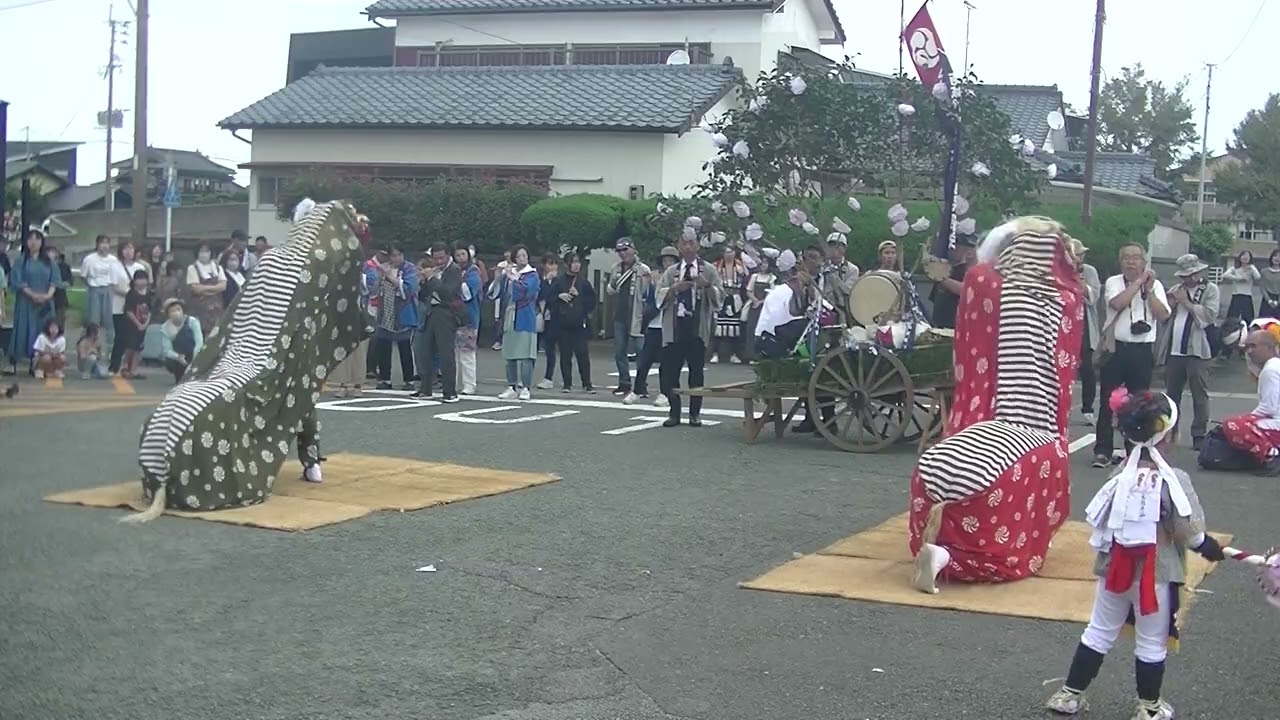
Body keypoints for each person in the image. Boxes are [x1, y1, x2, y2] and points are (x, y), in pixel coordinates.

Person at [128, 199, 372, 522]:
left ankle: (310, 460)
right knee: (302, 391)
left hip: (242, 352)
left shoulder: (270, 259)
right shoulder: (313, 268)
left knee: (291, 389)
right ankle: (311, 460)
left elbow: (236, 314)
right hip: (274, 355)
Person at [909, 217, 1084, 593]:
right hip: (1038, 421)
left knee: (945, 463)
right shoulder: (1068, 299)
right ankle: (960, 557)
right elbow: (1066, 366)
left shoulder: (986, 283)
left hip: (983, 414)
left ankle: (933, 543)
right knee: (1046, 455)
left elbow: (980, 276)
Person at [1044, 390, 1225, 720]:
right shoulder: (1174, 480)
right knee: (1152, 642)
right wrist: (1207, 546)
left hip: (1114, 569)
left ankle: (1069, 694)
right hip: (1155, 574)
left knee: (1098, 631)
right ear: (1170, 435)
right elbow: (1186, 529)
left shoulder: (1119, 476)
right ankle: (1150, 707)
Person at [1092, 243, 1170, 468]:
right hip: (1116, 349)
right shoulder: (1114, 282)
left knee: (1140, 402)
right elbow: (1117, 303)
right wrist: (1137, 283)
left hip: (1142, 350)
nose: (1131, 261)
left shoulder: (1155, 286)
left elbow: (1163, 314)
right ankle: (1103, 449)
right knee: (1108, 400)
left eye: (1136, 258)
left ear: (1144, 262)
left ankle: (1134, 449)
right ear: (1120, 261)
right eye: (1126, 257)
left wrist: (1150, 290)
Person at [655, 233, 724, 427]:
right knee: (671, 372)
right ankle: (674, 412)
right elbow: (658, 297)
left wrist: (706, 285)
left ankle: (695, 413)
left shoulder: (708, 270)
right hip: (675, 327)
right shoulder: (672, 271)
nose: (687, 247)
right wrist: (675, 288)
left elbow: (720, 297)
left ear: (697, 246)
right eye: (683, 243)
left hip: (697, 326)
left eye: (691, 243)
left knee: (696, 372)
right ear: (678, 246)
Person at [1158, 254, 1219, 452]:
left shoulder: (1210, 289)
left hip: (1198, 350)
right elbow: (1163, 317)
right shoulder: (1176, 289)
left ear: (1199, 272)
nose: (1189, 278)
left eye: (1193, 274)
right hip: (1174, 349)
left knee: (1199, 394)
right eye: (1186, 275)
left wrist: (1187, 302)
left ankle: (1199, 434)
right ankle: (1170, 431)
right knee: (1171, 394)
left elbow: (1209, 316)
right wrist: (1171, 304)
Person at [1219, 325, 1280, 474]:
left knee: (1232, 425)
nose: (1250, 351)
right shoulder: (1274, 366)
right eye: (1247, 347)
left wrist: (1245, 419)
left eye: (1253, 346)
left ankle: (1270, 456)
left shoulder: (1270, 370)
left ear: (1268, 347)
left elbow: (1268, 408)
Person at [6, 229, 62, 375]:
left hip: (45, 303)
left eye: (37, 239)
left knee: (42, 331)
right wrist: (32, 295)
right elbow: (18, 281)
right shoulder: (21, 261)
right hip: (26, 302)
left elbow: (54, 281)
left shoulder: (49, 262)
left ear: (42, 242)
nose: (33, 242)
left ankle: (37, 364)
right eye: (30, 239)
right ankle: (14, 362)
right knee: (22, 330)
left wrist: (47, 296)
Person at [629, 246, 679, 405]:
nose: (668, 263)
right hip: (653, 325)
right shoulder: (654, 277)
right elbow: (649, 298)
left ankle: (666, 392)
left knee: (667, 362)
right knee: (644, 359)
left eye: (671, 260)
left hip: (670, 324)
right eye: (665, 260)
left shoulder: (680, 277)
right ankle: (637, 390)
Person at [414, 243, 463, 402]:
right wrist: (422, 282)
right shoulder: (433, 270)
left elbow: (448, 293)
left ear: (449, 255)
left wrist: (432, 279)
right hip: (430, 312)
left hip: (446, 313)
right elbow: (423, 296)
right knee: (425, 351)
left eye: (442, 258)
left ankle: (450, 392)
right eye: (435, 258)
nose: (439, 261)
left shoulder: (454, 270)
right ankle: (425, 388)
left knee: (445, 354)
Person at [366, 245, 419, 391]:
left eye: (398, 255)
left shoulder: (409, 269)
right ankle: (385, 379)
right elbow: (374, 289)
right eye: (393, 256)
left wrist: (389, 275)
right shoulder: (384, 268)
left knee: (404, 346)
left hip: (403, 312)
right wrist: (380, 275)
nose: (396, 258)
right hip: (385, 311)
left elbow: (409, 289)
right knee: (383, 345)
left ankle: (409, 380)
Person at [492, 245, 540, 400]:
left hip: (525, 318)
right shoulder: (509, 274)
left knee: (526, 355)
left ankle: (525, 387)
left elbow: (525, 292)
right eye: (519, 256)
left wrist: (514, 278)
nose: (522, 258)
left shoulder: (532, 274)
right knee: (510, 355)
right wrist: (499, 278)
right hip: (509, 317)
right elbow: (495, 294)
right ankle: (511, 386)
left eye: (524, 255)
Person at [606, 238, 650, 396]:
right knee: (619, 351)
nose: (623, 254)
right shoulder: (615, 268)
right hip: (620, 314)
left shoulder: (643, 269)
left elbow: (647, 292)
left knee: (641, 352)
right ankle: (624, 382)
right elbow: (611, 289)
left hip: (637, 314)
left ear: (633, 249)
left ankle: (641, 385)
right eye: (620, 251)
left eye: (625, 249)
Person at [550, 251, 597, 392]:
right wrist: (559, 296)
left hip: (579, 324)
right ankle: (567, 384)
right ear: (566, 264)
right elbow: (549, 299)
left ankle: (587, 383)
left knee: (583, 354)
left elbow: (592, 302)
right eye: (573, 262)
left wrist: (579, 296)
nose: (576, 265)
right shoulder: (559, 281)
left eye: (578, 262)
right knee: (565, 355)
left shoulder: (583, 282)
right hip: (563, 324)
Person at [926, 232, 976, 329]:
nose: (953, 250)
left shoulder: (971, 272)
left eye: (957, 247)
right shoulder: (947, 269)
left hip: (960, 327)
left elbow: (965, 290)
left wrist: (942, 278)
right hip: (939, 326)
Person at [710, 244, 749, 363]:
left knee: (735, 327)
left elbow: (746, 278)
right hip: (722, 297)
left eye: (731, 252)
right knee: (718, 326)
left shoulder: (740, 265)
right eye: (726, 252)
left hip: (735, 297)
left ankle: (734, 354)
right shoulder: (716, 266)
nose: (729, 254)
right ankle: (714, 353)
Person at [80, 235, 121, 349]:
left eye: (107, 243)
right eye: (102, 243)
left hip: (109, 289)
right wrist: (91, 285)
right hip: (94, 289)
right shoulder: (89, 259)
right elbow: (83, 276)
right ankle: (92, 346)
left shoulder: (113, 260)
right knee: (93, 320)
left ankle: (111, 347)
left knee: (110, 321)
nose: (104, 246)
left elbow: (116, 276)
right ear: (97, 245)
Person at [1077, 246, 1102, 426]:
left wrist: (1080, 283)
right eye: (1076, 253)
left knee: (1088, 369)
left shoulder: (1089, 271)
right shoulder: (1057, 267)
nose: (1079, 257)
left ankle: (1088, 409)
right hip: (1063, 323)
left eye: (1082, 253)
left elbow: (1094, 296)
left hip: (1084, 323)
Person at [454, 246, 483, 395]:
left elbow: (468, 294)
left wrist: (457, 280)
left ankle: (469, 384)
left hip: (468, 318)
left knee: (467, 353)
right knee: (455, 353)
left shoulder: (473, 272)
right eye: (457, 255)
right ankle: (456, 383)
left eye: (463, 254)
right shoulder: (454, 270)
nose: (460, 257)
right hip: (453, 317)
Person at [184, 242, 226, 340]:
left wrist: (205, 288)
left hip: (217, 310)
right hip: (200, 310)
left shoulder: (218, 268)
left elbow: (223, 286)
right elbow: (196, 288)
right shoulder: (192, 268)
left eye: (206, 251)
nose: (204, 254)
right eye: (201, 251)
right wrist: (215, 289)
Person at [741, 254, 777, 363]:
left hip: (765, 307)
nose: (763, 265)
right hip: (754, 306)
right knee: (751, 329)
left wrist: (761, 302)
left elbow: (773, 293)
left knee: (762, 330)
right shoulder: (755, 276)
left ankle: (760, 355)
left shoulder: (772, 278)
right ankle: (750, 355)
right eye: (762, 263)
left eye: (766, 263)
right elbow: (749, 290)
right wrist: (755, 300)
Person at [158, 299, 203, 382]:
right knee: (169, 361)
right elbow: (167, 350)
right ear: (168, 314)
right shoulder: (165, 328)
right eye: (172, 311)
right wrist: (178, 357)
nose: (176, 313)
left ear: (183, 310)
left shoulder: (192, 322)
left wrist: (194, 360)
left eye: (178, 309)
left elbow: (199, 342)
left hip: (194, 354)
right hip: (179, 356)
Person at [819, 232, 859, 326]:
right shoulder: (820, 266)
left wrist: (833, 274)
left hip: (843, 312)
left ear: (844, 249)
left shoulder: (852, 269)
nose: (834, 250)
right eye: (831, 246)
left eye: (838, 246)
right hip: (822, 310)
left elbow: (847, 291)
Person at [120, 269, 153, 379]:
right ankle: (124, 366)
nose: (141, 282)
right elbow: (129, 311)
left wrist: (146, 323)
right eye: (139, 279)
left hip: (143, 325)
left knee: (138, 348)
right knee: (130, 347)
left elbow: (150, 310)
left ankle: (133, 371)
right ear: (134, 281)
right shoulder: (131, 294)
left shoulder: (148, 294)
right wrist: (138, 324)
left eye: (143, 279)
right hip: (131, 326)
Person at [1258, 249, 1280, 320]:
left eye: (1279, 257)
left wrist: (1278, 302)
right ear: (1271, 257)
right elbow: (1262, 287)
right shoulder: (1264, 271)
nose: (1277, 258)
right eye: (1275, 256)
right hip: (1267, 300)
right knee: (1264, 322)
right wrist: (1269, 300)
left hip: (1278, 299)